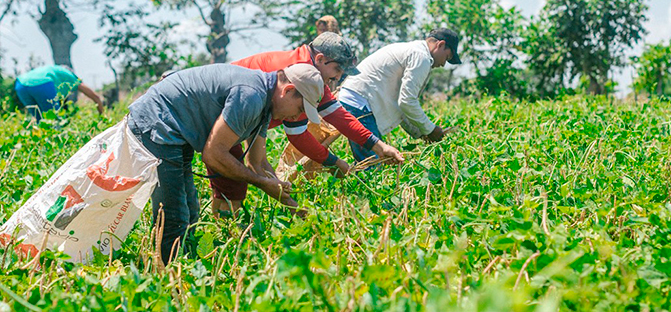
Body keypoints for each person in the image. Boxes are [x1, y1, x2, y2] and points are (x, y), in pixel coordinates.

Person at [128, 63, 324, 264]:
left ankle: (182, 268)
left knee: (190, 210)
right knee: (174, 216)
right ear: (288, 90)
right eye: (300, 108)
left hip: (177, 130)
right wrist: (261, 183)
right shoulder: (252, 95)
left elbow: (258, 162)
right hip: (156, 122)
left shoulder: (266, 103)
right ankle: (165, 276)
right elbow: (213, 155)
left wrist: (292, 204)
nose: (295, 117)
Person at [209, 32, 404, 217]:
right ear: (319, 59)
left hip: (245, 120)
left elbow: (338, 116)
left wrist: (379, 146)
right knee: (231, 182)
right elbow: (298, 135)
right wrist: (334, 162)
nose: (338, 78)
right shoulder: (299, 80)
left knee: (250, 170)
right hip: (225, 112)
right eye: (337, 69)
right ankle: (225, 231)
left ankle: (225, 228)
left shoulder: (311, 78)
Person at [336, 28, 462, 162]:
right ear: (440, 45)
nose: (443, 64)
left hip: (357, 100)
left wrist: (422, 133)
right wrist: (430, 130)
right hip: (360, 103)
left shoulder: (414, 51)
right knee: (372, 165)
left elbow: (403, 106)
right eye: (446, 57)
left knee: (377, 161)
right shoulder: (421, 57)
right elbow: (407, 102)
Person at [14, 64, 104, 120]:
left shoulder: (52, 69)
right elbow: (95, 96)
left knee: (39, 121)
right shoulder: (69, 75)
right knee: (54, 120)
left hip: (20, 84)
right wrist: (102, 117)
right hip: (43, 83)